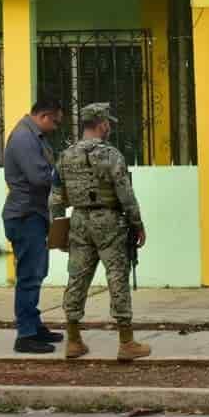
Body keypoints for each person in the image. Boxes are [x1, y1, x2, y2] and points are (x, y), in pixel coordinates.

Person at [49, 102, 150, 361]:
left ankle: (73, 340)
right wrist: (137, 223)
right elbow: (125, 193)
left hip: (80, 220)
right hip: (109, 220)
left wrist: (58, 228)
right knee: (117, 275)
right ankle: (126, 342)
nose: (109, 128)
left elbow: (56, 198)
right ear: (101, 123)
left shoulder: (65, 155)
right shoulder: (111, 155)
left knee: (77, 278)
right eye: (108, 123)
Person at [3, 97, 65, 354]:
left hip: (34, 215)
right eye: (56, 122)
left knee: (36, 272)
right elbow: (40, 177)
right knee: (29, 275)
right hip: (26, 216)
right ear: (45, 116)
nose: (56, 127)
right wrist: (64, 180)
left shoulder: (33, 136)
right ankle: (25, 334)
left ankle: (34, 325)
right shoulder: (24, 138)